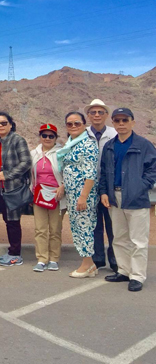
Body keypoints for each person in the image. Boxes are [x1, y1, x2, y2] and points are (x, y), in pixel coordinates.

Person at [99, 108, 156, 292]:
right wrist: (104, 192)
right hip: (114, 197)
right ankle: (123, 270)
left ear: (133, 122)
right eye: (117, 120)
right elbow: (104, 172)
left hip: (136, 198)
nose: (121, 124)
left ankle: (137, 276)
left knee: (138, 240)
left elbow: (153, 169)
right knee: (119, 237)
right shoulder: (110, 146)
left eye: (125, 120)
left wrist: (141, 185)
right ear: (113, 123)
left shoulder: (143, 145)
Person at [0, 112, 32, 267]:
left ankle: (15, 254)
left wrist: (8, 175)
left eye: (4, 123)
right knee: (8, 220)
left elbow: (26, 162)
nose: (1, 126)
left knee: (13, 222)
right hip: (0, 189)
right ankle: (12, 251)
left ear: (10, 124)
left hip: (12, 189)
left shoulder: (17, 140)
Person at [57, 111, 100, 278]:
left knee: (84, 228)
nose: (73, 126)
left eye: (77, 123)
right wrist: (64, 185)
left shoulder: (88, 144)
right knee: (77, 227)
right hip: (73, 194)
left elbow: (90, 173)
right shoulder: (71, 143)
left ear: (84, 125)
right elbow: (71, 168)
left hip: (83, 195)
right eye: (70, 124)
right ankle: (90, 264)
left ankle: (87, 264)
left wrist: (83, 196)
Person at [85, 99, 118, 273]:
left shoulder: (114, 134)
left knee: (113, 225)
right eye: (93, 112)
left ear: (106, 115)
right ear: (88, 115)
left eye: (100, 112)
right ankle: (97, 259)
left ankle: (115, 260)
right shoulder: (82, 134)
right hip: (88, 187)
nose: (96, 115)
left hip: (110, 186)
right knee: (94, 225)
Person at [30, 123, 64, 272]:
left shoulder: (61, 153)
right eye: (44, 135)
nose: (47, 138)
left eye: (51, 136)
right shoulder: (34, 154)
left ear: (56, 138)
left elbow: (67, 173)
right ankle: (42, 259)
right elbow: (30, 175)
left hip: (56, 196)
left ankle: (54, 259)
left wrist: (63, 187)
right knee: (40, 229)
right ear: (40, 137)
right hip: (38, 195)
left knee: (55, 228)